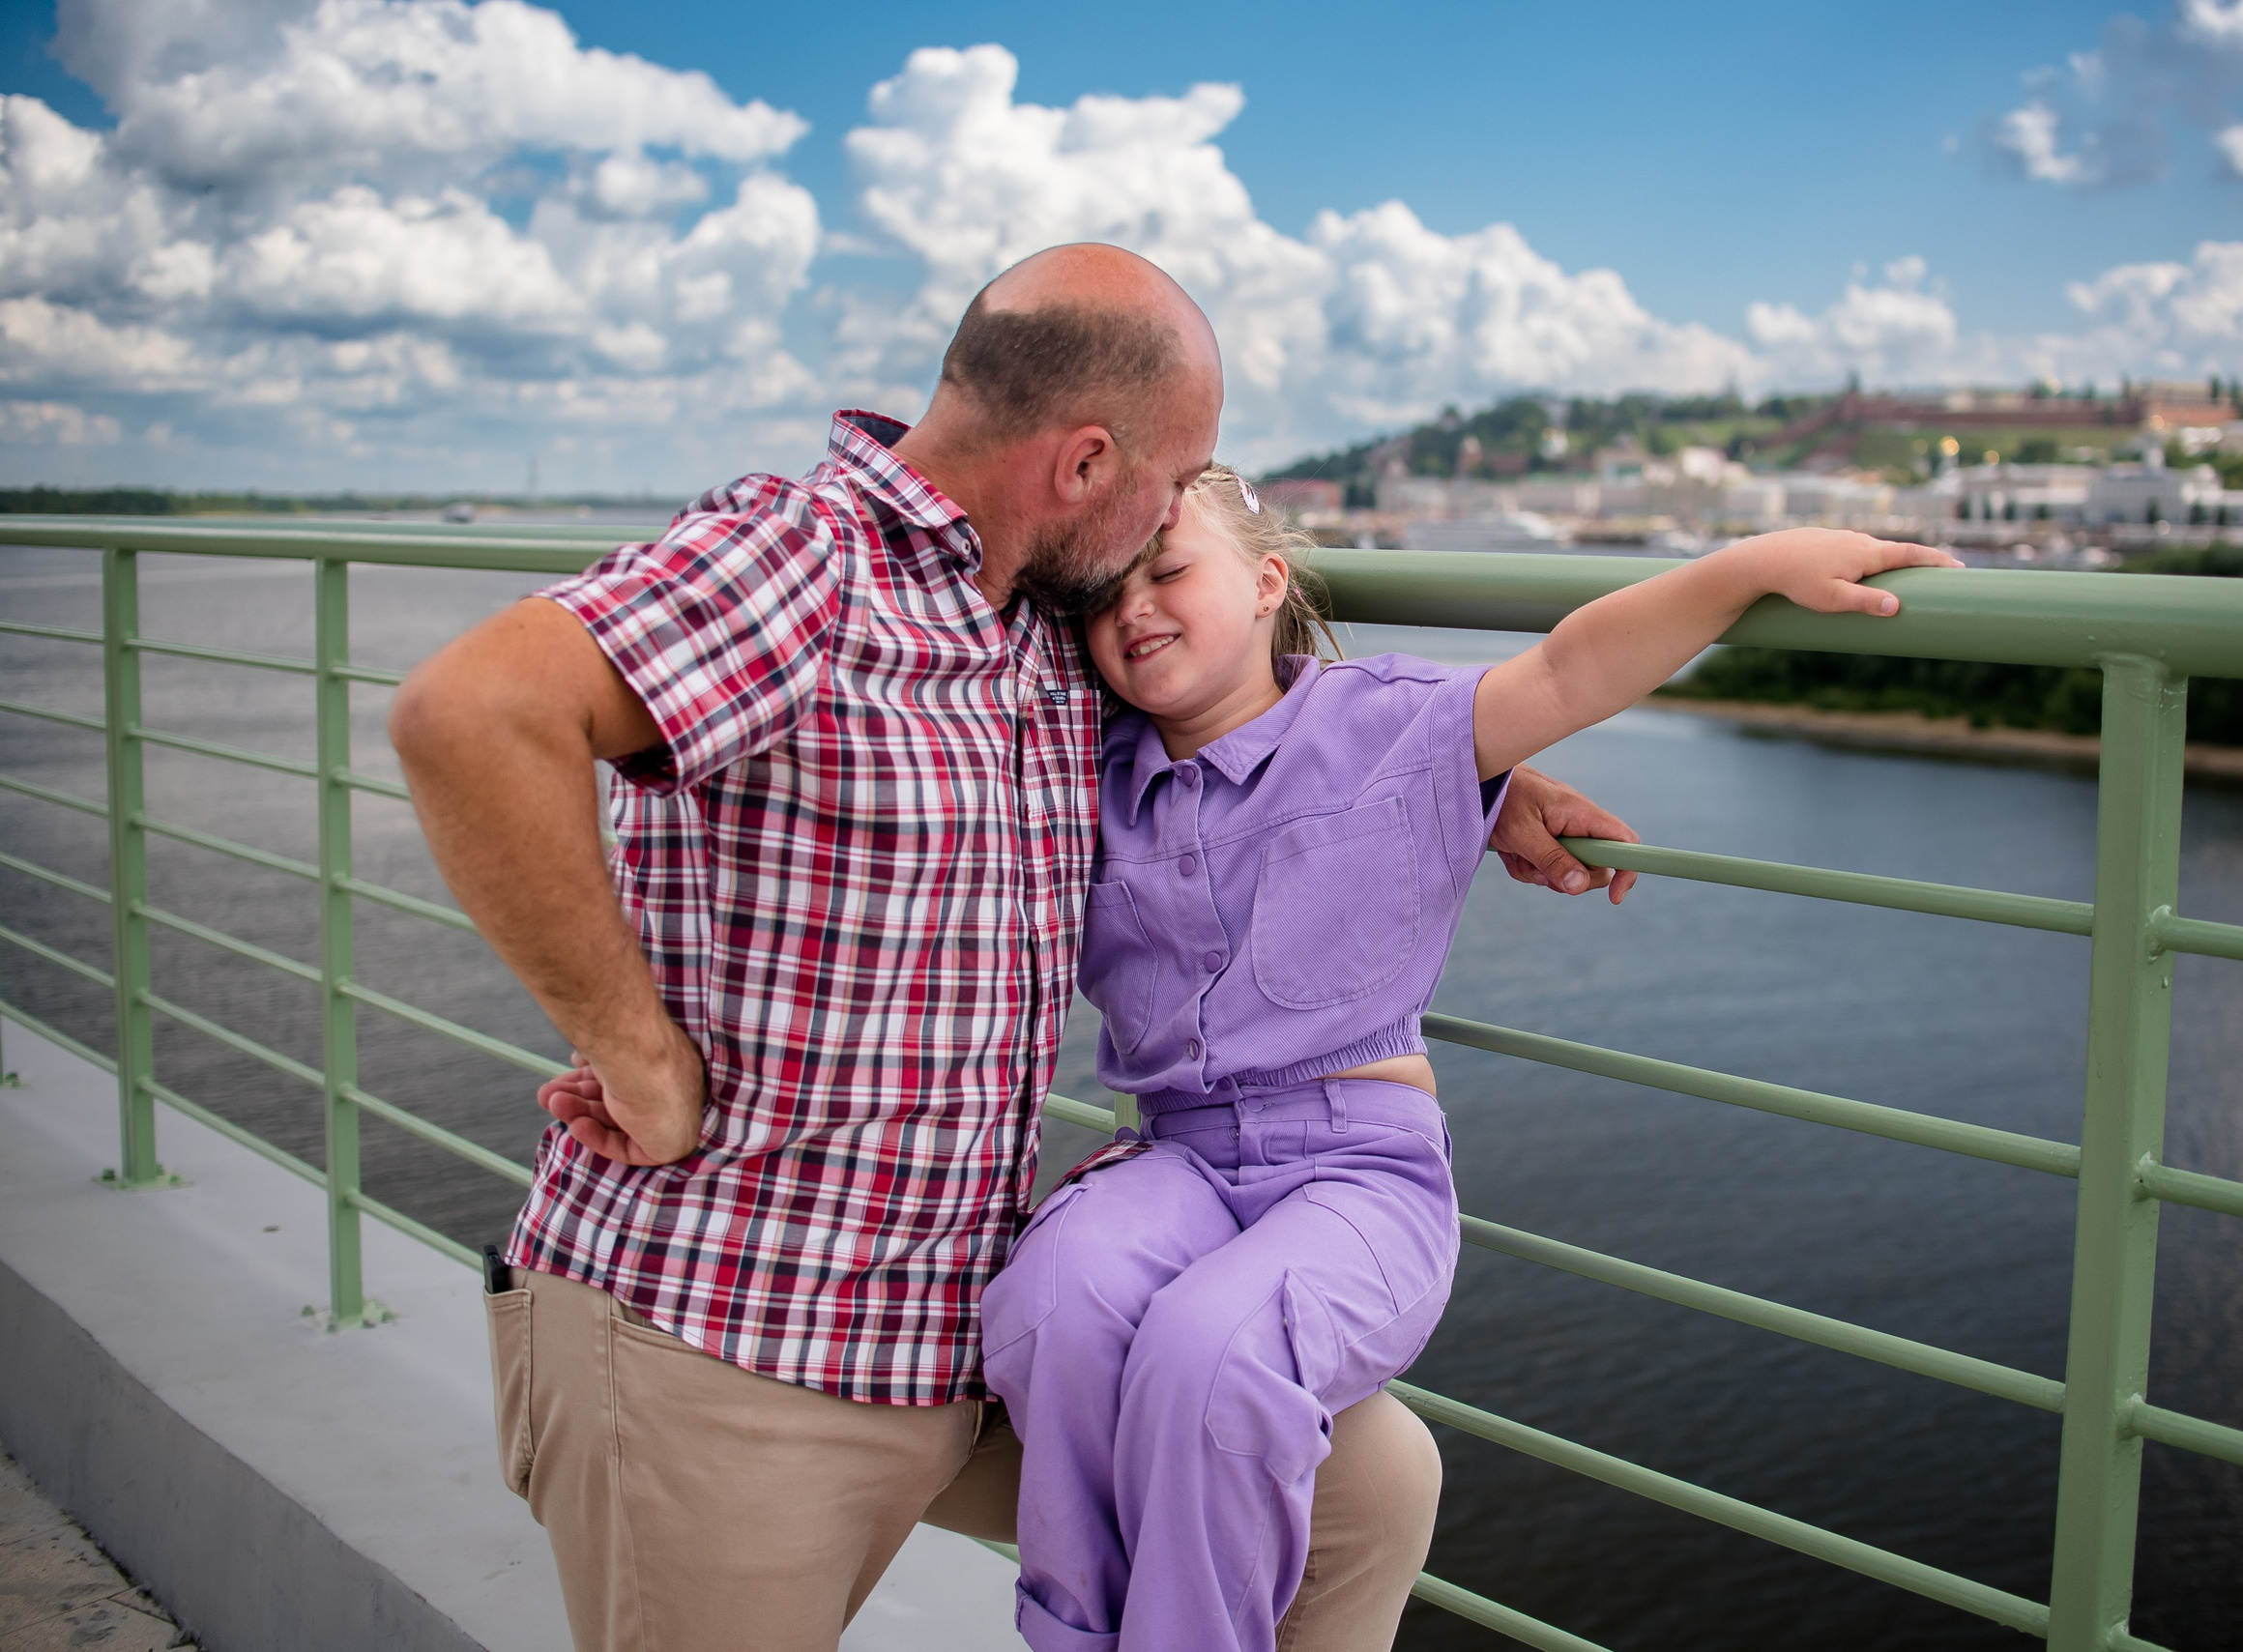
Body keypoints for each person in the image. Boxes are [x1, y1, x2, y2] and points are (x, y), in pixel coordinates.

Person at [390, 243, 1644, 1652]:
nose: (1179, 514)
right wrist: (637, 1051)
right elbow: (474, 718)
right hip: (730, 1330)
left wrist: (1465, 786)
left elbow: (1247, 730)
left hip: (960, 1332)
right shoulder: (804, 560)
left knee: (1371, 1481)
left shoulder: (1048, 621)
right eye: (1176, 480)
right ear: (1091, 465)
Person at [980, 467, 1962, 1652]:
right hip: (1175, 1158)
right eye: (1104, 594)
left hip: (1352, 1174)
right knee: (1051, 1302)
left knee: (1214, 1350)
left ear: (1266, 582)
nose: (1134, 607)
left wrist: (1750, 568)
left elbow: (1566, 667)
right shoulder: (1081, 767)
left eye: (1170, 569)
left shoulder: (1382, 724)